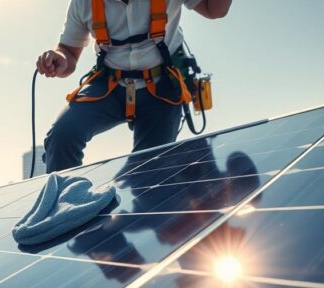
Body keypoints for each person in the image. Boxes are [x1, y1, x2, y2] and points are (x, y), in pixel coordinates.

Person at [36, 0, 232, 173]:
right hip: (109, 86)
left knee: (148, 171)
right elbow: (68, 52)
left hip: (161, 90)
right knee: (62, 136)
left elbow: (213, 9)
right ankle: (64, 206)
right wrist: (59, 58)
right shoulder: (82, 2)